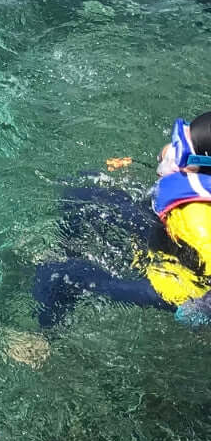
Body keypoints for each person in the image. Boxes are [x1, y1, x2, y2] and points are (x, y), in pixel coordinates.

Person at [28, 112, 211, 336]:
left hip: (172, 287)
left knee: (57, 273)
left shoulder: (200, 222)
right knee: (82, 192)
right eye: (176, 141)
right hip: (166, 234)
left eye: (180, 151)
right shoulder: (194, 187)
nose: (168, 152)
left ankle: (40, 339)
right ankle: (68, 246)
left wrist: (201, 308)